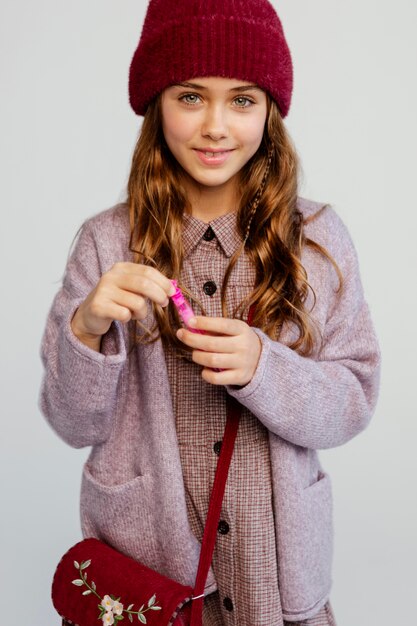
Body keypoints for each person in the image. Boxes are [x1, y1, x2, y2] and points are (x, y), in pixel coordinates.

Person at [39, 1, 380, 625]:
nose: (216, 126)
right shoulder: (104, 243)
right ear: (155, 104)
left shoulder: (317, 240)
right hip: (149, 577)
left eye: (243, 100)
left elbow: (353, 399)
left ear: (271, 111)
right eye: (191, 97)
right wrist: (87, 331)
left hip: (273, 578)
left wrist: (264, 367)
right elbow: (72, 422)